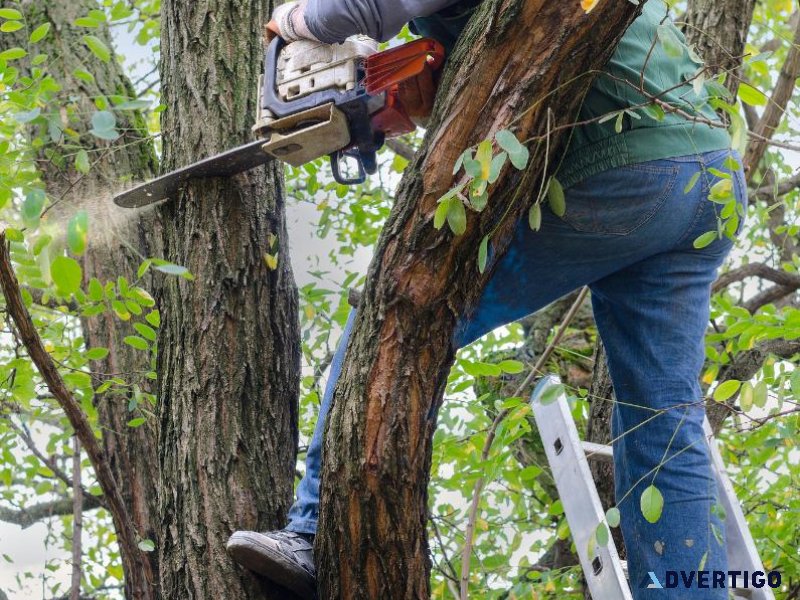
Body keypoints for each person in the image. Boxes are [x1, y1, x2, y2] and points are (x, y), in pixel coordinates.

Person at [227, 1, 747, 598]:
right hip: (704, 179)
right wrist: (431, 92)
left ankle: (313, 532)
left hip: (618, 174)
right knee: (662, 415)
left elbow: (367, 6)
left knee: (393, 311)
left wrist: (295, 21)